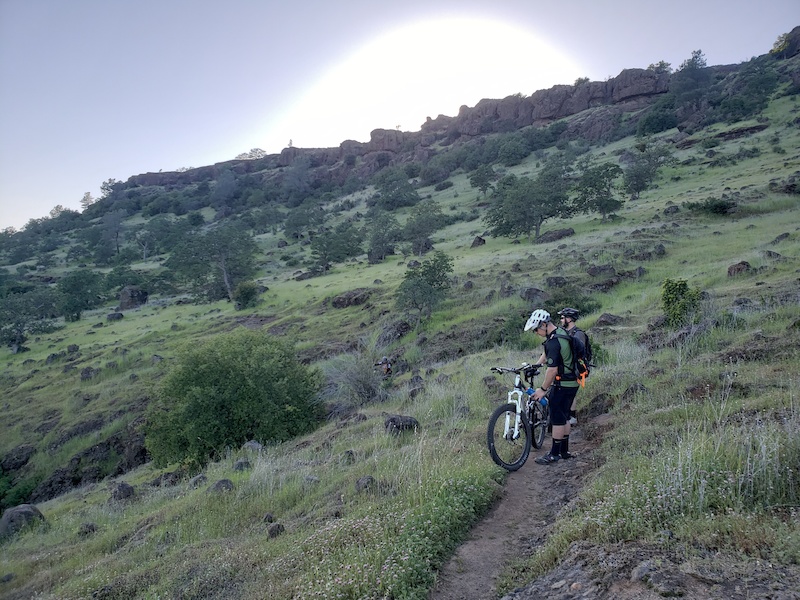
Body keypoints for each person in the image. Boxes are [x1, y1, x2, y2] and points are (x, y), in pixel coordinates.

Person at [524, 309, 579, 464]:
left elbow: (552, 370)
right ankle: (564, 451)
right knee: (565, 416)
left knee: (557, 419)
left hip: (562, 384)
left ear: (543, 324)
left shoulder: (553, 342)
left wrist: (542, 389)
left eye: (536, 329)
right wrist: (536, 365)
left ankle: (554, 454)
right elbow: (547, 353)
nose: (536, 333)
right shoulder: (561, 332)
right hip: (572, 381)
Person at [558, 307, 587, 426]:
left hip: (575, 368)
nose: (561, 320)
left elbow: (580, 352)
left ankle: (572, 416)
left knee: (571, 392)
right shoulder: (565, 332)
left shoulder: (578, 334)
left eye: (562, 318)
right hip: (565, 367)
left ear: (569, 319)